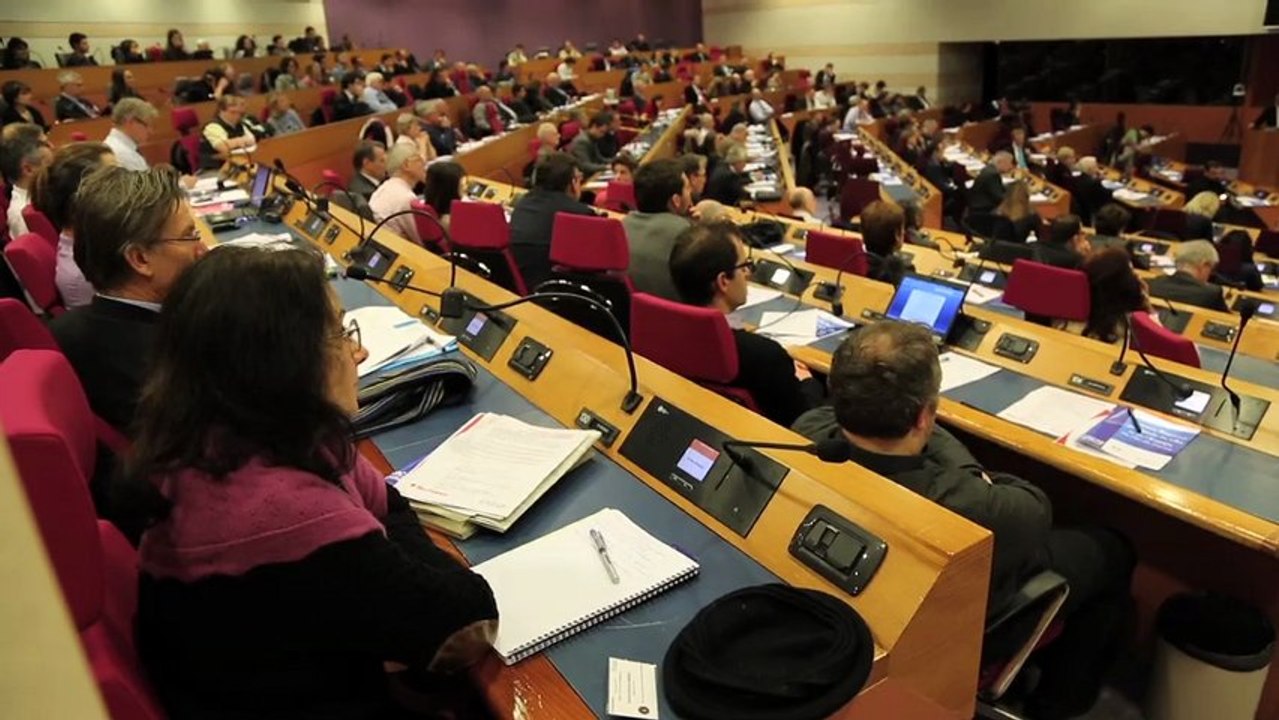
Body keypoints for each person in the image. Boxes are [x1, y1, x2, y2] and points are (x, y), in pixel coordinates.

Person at [128, 244, 497, 718]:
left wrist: (379, 525)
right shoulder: (286, 520)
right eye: (340, 334)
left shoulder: (213, 438)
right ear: (282, 363)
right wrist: (389, 539)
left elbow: (386, 501)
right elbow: (465, 620)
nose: (359, 352)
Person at [795, 321, 1134, 719]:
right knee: (1114, 549)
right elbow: (1032, 505)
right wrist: (970, 470)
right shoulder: (973, 505)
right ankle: (1060, 704)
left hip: (853, 609)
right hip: (949, 629)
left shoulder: (808, 431)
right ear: (925, 416)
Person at [50, 166, 207, 433]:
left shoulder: (69, 327)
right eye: (190, 236)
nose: (202, 249)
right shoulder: (170, 363)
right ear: (140, 259)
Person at [669, 222, 822, 426]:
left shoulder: (666, 335)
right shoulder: (765, 355)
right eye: (743, 266)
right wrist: (809, 382)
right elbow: (803, 423)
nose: (748, 273)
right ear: (723, 281)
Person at [32, 142, 115, 308]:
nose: (128, 182)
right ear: (83, 199)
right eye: (115, 178)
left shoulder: (100, 236)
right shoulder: (85, 273)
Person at [509, 152, 597, 289]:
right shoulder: (580, 214)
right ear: (572, 183)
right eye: (579, 179)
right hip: (554, 291)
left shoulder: (523, 202)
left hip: (518, 285)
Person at [621, 159, 693, 299]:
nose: (691, 193)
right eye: (687, 188)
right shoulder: (687, 235)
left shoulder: (622, 225)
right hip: (677, 316)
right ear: (676, 201)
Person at [1083, 248, 1151, 343]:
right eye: (1132, 272)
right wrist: (1146, 304)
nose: (1138, 277)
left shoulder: (1079, 318)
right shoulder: (1131, 331)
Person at [369, 144, 428, 246]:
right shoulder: (406, 198)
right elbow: (423, 242)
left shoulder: (382, 189)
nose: (424, 163)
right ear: (406, 165)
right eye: (419, 159)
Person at [1146, 240, 1229, 312]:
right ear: (1204, 265)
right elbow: (1230, 321)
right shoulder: (1211, 293)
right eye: (1211, 269)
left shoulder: (1148, 284)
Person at [2, 124, 52, 239]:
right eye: (45, 144)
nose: (52, 147)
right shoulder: (23, 216)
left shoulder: (43, 188)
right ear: (29, 169)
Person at [860, 200, 915, 287]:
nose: (904, 232)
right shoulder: (899, 269)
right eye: (902, 228)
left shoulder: (857, 262)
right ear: (897, 235)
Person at [198, 95, 255, 170]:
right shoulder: (212, 126)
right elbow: (223, 147)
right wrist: (241, 141)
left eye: (239, 112)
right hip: (214, 169)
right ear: (222, 110)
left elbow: (252, 140)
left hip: (238, 165)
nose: (237, 115)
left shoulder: (240, 125)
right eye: (233, 112)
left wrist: (233, 143)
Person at [103, 98, 157, 172]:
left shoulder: (113, 144)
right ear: (131, 122)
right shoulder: (125, 154)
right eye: (147, 125)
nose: (150, 131)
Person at [422, 159, 464, 232]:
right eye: (461, 185)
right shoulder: (451, 221)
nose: (464, 187)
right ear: (451, 189)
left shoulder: (425, 205)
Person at [968, 151, 1012, 215]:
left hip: (978, 207)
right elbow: (999, 197)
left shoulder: (989, 169)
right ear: (1001, 162)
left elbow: (998, 189)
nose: (1011, 166)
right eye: (1009, 163)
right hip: (984, 211)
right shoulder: (993, 174)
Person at [1071, 156, 1112, 225]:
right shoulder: (1094, 183)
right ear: (1090, 169)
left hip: (1080, 209)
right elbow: (1107, 195)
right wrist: (1101, 180)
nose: (1097, 169)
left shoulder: (1075, 179)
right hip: (1091, 211)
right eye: (1096, 167)